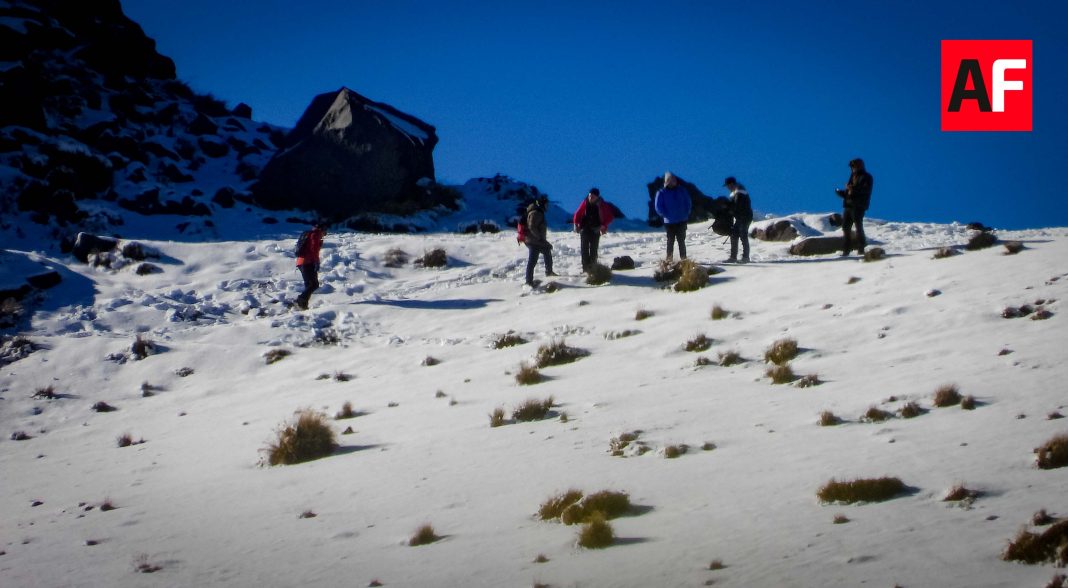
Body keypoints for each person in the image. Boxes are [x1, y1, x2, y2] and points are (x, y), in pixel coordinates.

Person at [835, 158, 873, 256]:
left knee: (858, 226)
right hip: (848, 205)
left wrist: (852, 189)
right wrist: (841, 193)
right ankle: (846, 249)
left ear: (859, 166)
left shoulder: (866, 177)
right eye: (852, 167)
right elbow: (849, 193)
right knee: (845, 227)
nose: (852, 168)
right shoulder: (852, 176)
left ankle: (861, 248)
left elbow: (865, 190)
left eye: (854, 166)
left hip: (858, 206)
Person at [572, 187, 615, 272]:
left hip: (596, 229)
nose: (590, 198)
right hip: (585, 228)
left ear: (597, 197)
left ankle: (593, 269)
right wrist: (576, 224)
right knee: (584, 250)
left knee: (593, 250)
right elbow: (578, 213)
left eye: (592, 196)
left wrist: (603, 225)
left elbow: (610, 216)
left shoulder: (602, 204)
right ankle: (585, 269)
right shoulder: (585, 202)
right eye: (589, 196)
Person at [654, 171, 692, 260]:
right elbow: (658, 206)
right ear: (666, 181)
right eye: (669, 180)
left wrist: (687, 212)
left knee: (681, 240)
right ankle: (669, 259)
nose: (672, 182)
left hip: (682, 220)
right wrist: (664, 214)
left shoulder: (682, 190)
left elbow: (688, 202)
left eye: (673, 180)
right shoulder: (661, 192)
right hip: (669, 221)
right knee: (670, 241)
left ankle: (684, 258)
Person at [524, 195, 557, 286]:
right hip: (534, 241)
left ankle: (548, 272)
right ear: (542, 204)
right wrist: (539, 238)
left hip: (535, 240)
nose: (547, 207)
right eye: (546, 205)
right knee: (533, 260)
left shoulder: (538, 212)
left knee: (546, 251)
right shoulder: (536, 213)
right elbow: (532, 226)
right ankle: (529, 281)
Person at [294, 221, 325, 310]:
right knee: (314, 284)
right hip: (307, 262)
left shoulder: (310, 234)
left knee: (309, 285)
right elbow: (314, 250)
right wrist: (316, 262)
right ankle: (300, 300)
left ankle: (303, 305)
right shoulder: (316, 235)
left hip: (301, 262)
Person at [723, 176, 753, 263]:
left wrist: (730, 210)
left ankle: (745, 257)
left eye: (728, 185)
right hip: (741, 217)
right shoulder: (737, 192)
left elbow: (737, 205)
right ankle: (734, 257)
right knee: (734, 235)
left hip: (744, 216)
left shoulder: (739, 192)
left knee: (743, 235)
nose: (727, 188)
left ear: (731, 184)